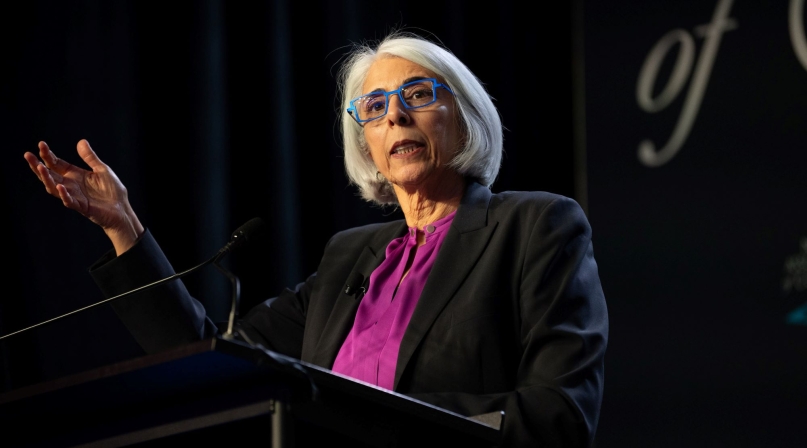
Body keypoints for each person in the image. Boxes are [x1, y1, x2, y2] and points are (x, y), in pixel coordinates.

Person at [23, 32, 608, 447]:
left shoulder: (536, 227)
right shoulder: (348, 258)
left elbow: (558, 416)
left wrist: (369, 423)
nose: (396, 116)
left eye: (419, 95)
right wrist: (124, 226)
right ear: (367, 144)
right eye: (375, 107)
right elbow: (211, 358)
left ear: (465, 117)